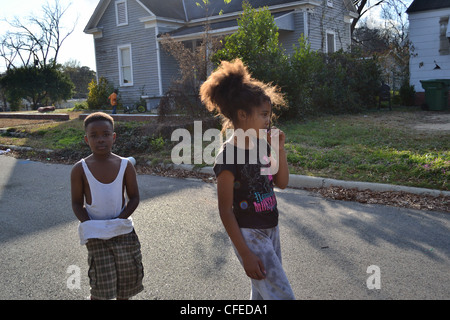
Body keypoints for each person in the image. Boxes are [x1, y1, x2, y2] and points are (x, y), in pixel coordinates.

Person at [200, 59, 295, 300]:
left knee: (264, 293)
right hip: (250, 234)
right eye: (263, 114)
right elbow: (225, 210)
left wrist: (279, 149)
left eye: (269, 114)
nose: (268, 120)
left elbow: (281, 182)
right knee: (282, 295)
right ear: (242, 115)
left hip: (271, 227)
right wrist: (245, 254)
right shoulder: (228, 156)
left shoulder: (262, 145)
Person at [70, 112, 143, 300]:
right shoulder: (80, 169)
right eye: (94, 136)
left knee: (126, 281)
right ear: (86, 139)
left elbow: (134, 198)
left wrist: (119, 220)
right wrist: (93, 226)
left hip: (123, 232)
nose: (100, 139)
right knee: (102, 285)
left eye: (105, 134)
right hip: (96, 236)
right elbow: (77, 204)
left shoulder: (125, 165)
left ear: (114, 136)